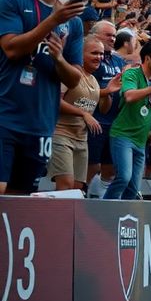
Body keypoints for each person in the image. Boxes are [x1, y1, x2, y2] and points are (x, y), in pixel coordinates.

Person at [0, 0, 84, 194]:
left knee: (20, 200)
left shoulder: (75, 21)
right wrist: (53, 19)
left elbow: (74, 80)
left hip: (41, 125)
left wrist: (59, 60)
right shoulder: (12, 1)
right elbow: (12, 48)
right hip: (5, 117)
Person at [104, 40, 151, 200]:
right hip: (122, 136)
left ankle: (119, 218)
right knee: (123, 178)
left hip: (140, 142)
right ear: (147, 58)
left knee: (133, 188)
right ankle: (103, 212)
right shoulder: (132, 74)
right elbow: (129, 96)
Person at [47, 36, 117, 190]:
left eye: (101, 54)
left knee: (78, 187)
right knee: (65, 184)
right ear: (80, 53)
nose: (99, 57)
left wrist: (109, 92)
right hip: (61, 135)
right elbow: (54, 101)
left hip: (81, 140)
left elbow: (103, 109)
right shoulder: (70, 75)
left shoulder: (93, 80)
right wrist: (83, 114)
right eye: (94, 53)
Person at [85, 20, 125, 197]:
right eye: (108, 35)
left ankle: (99, 198)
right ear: (95, 35)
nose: (113, 38)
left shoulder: (118, 59)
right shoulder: (89, 56)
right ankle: (83, 195)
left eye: (114, 35)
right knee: (92, 165)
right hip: (95, 119)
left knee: (110, 168)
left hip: (115, 122)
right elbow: (84, 87)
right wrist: (106, 92)